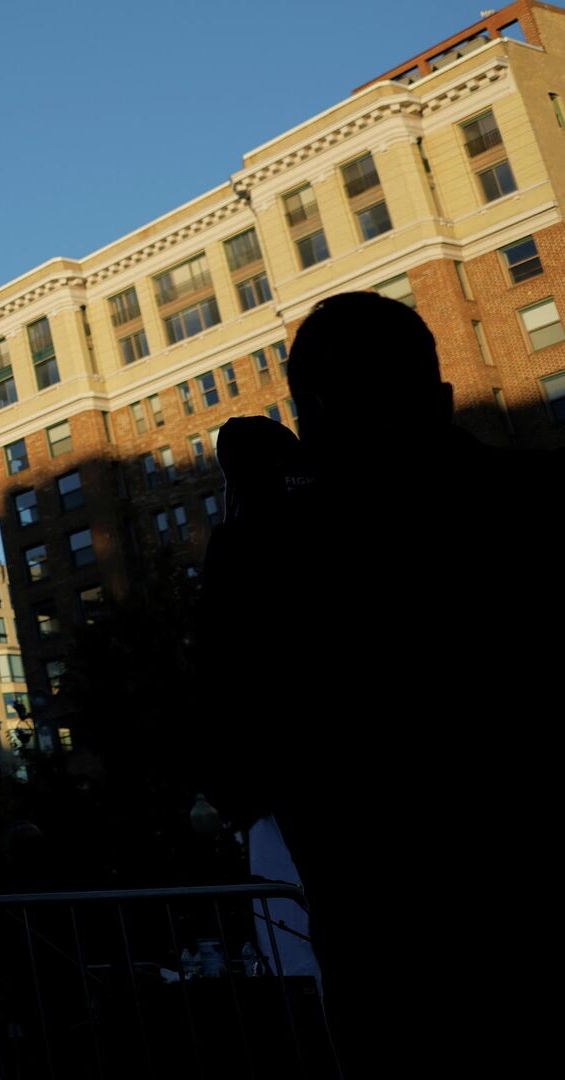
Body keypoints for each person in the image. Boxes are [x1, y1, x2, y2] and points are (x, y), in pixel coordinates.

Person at [198, 292, 557, 1075]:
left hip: (394, 976)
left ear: (313, 413)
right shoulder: (541, 501)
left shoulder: (266, 558)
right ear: (442, 394)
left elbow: (231, 771)